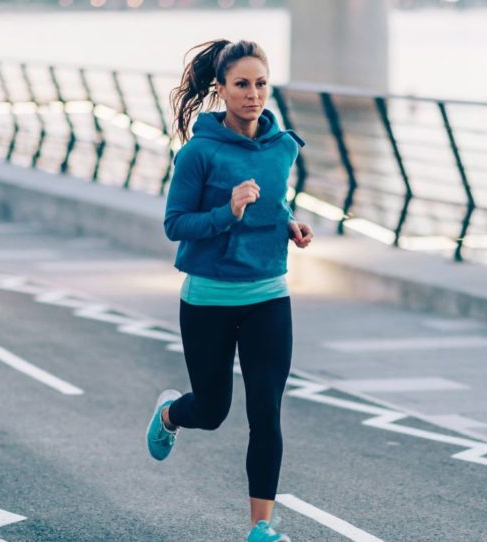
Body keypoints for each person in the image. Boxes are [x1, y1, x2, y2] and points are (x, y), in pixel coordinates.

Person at [145, 39, 312, 542]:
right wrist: (228, 212)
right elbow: (176, 224)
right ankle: (171, 413)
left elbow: (273, 206)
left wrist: (288, 226)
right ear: (220, 90)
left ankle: (261, 528)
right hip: (209, 301)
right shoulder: (198, 154)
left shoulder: (283, 147)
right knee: (214, 411)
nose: (253, 94)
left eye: (261, 84)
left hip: (268, 296)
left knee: (266, 411)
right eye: (242, 84)